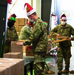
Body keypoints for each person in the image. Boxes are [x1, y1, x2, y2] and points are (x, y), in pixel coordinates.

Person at [16, 3, 49, 75]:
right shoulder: (41, 22)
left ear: (31, 15)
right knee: (41, 68)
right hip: (42, 49)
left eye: (29, 17)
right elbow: (38, 38)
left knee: (38, 70)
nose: (29, 19)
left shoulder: (37, 24)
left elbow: (34, 37)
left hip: (39, 50)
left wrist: (23, 43)